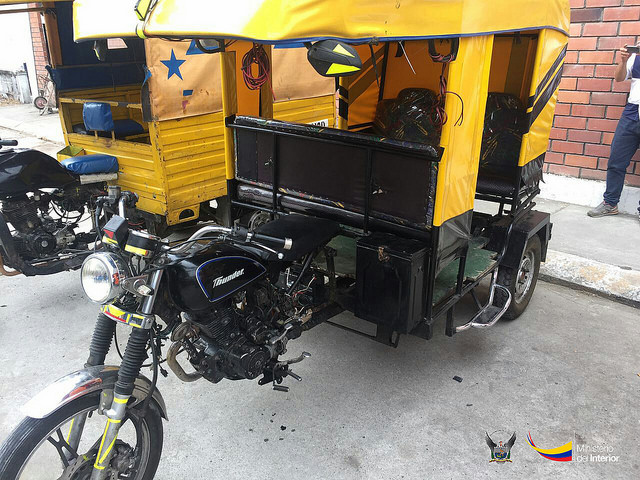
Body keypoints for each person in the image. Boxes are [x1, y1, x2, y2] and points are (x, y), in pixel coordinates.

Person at [587, 45, 640, 221]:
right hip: (632, 112)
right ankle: (610, 203)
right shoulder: (636, 56)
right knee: (617, 160)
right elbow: (619, 78)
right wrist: (624, 61)